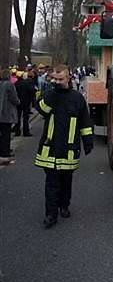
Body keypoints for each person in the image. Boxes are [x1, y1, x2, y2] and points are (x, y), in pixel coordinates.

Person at [34, 64, 94, 228]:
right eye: (55, 78)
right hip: (51, 147)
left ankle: (64, 205)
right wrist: (54, 92)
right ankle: (50, 215)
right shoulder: (50, 94)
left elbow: (85, 121)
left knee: (66, 181)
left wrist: (87, 140)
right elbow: (42, 110)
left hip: (69, 149)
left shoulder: (77, 98)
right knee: (52, 184)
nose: (57, 81)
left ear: (68, 78)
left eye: (60, 79)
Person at [0, 69, 20, 164]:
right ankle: (5, 152)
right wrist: (18, 102)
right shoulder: (9, 85)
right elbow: (14, 98)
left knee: (2, 133)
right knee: (6, 134)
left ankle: (2, 151)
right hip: (6, 112)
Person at [14, 71, 35, 137]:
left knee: (18, 117)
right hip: (26, 102)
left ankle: (17, 131)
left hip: (18, 102)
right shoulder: (26, 83)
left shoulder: (16, 83)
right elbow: (31, 91)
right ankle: (26, 132)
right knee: (25, 118)